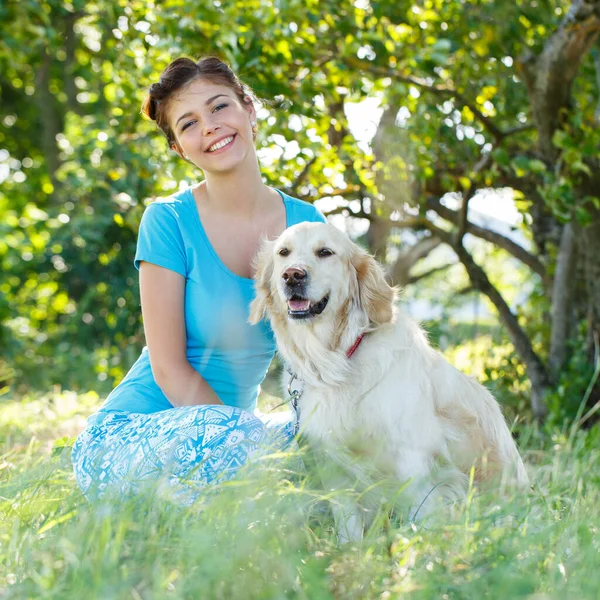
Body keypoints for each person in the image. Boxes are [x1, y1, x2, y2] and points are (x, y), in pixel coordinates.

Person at [71, 56, 326, 502]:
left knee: (324, 446)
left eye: (220, 107)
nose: (209, 126)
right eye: (188, 123)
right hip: (134, 437)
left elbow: (325, 349)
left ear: (249, 109)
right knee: (245, 451)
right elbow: (169, 368)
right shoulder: (168, 221)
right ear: (179, 149)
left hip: (228, 435)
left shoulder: (306, 225)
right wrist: (243, 438)